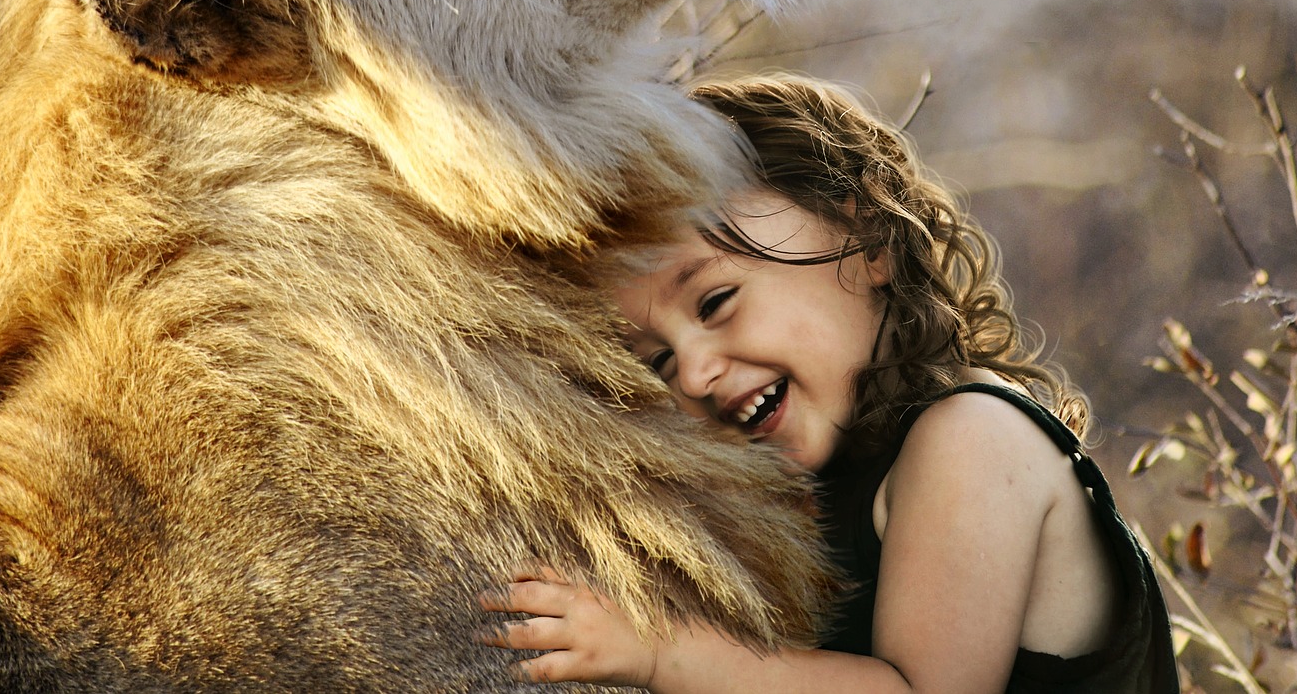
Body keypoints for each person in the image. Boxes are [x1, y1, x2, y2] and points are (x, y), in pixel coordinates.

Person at [479, 74, 1177, 692]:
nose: (694, 372)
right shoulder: (827, 486)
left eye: (717, 302)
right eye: (658, 361)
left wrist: (660, 652)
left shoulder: (972, 438)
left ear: (866, 232)